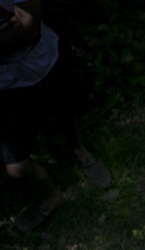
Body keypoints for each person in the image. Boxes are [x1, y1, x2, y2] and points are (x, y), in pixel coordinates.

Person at [1, 0, 109, 232]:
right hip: (4, 86)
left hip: (43, 59)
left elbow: (28, 27)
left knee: (66, 109)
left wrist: (16, 29)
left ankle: (79, 151)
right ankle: (50, 195)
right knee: (16, 166)